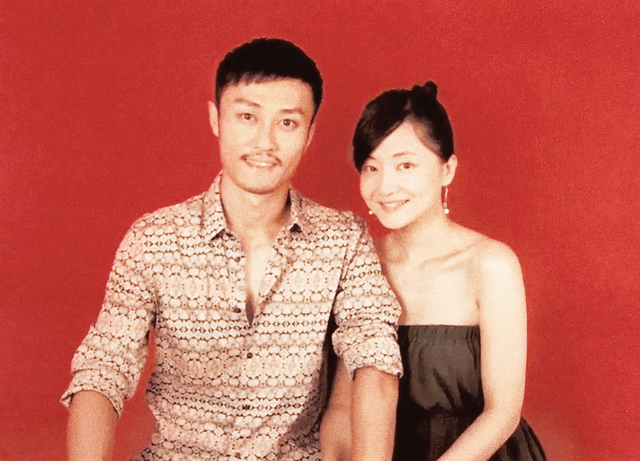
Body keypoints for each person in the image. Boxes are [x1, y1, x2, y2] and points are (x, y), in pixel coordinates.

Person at [61, 38, 403, 461]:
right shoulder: (152, 240)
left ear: (310, 134)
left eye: (287, 123)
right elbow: (102, 373)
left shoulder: (343, 239)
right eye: (247, 116)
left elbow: (375, 362)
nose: (265, 142)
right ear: (216, 119)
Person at [321, 81, 547, 460]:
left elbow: (502, 413)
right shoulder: (361, 264)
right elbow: (343, 407)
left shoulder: (491, 264)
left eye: (405, 165)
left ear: (447, 170)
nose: (385, 185)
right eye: (371, 167)